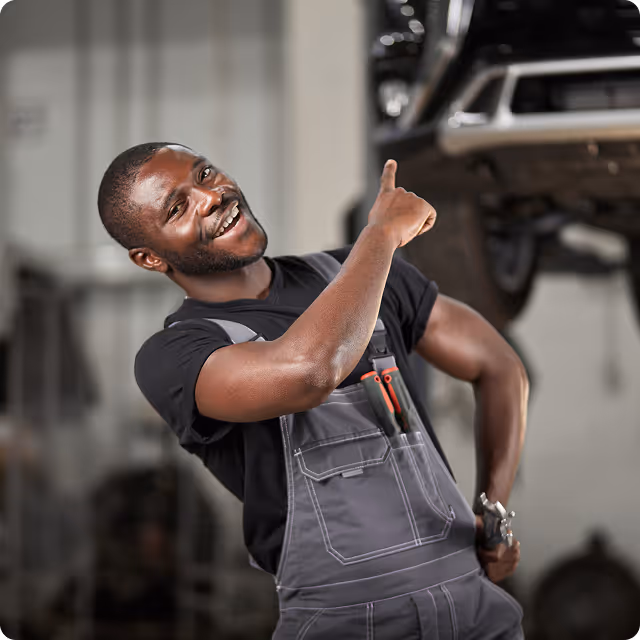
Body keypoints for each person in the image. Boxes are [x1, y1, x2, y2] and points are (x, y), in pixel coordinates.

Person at [98, 142, 528, 639]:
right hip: (346, 622)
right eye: (178, 206)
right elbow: (309, 372)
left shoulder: (354, 273)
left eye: (206, 173)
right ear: (150, 257)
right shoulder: (175, 356)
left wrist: (492, 512)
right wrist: (381, 235)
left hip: (476, 609)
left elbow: (500, 365)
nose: (210, 196)